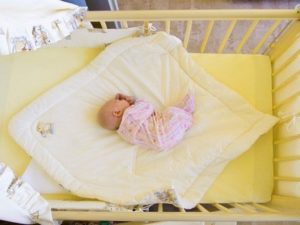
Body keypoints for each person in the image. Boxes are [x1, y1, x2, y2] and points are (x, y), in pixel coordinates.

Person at [98, 92, 194, 151]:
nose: (121, 100)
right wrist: (133, 100)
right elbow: (148, 107)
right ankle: (186, 114)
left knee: (168, 116)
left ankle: (183, 119)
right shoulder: (130, 114)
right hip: (164, 131)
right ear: (117, 112)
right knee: (172, 113)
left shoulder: (124, 134)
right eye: (117, 101)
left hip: (163, 144)